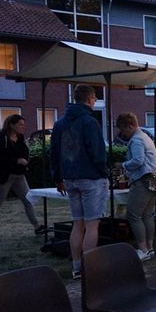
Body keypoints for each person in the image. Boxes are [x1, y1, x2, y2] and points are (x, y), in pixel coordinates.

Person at [50, 84, 108, 280]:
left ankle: (76, 267)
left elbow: (54, 153)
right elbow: (97, 152)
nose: (95, 101)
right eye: (94, 99)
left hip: (69, 178)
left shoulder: (59, 124)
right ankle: (89, 268)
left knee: (78, 224)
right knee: (92, 225)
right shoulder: (90, 122)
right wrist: (104, 172)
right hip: (91, 178)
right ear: (90, 99)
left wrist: (57, 177)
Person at [0, 114, 46, 240]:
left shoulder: (20, 138)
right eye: (20, 124)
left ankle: (37, 226)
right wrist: (16, 161)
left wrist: (24, 162)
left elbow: (24, 152)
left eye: (23, 125)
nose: (23, 127)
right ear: (11, 125)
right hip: (3, 175)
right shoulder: (0, 139)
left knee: (27, 199)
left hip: (18, 175)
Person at [116, 112, 156, 260]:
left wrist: (123, 165)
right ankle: (150, 248)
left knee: (134, 215)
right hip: (155, 179)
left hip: (143, 180)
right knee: (147, 215)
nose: (124, 134)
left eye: (123, 130)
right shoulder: (146, 137)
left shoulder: (136, 140)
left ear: (130, 127)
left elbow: (138, 160)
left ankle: (142, 250)